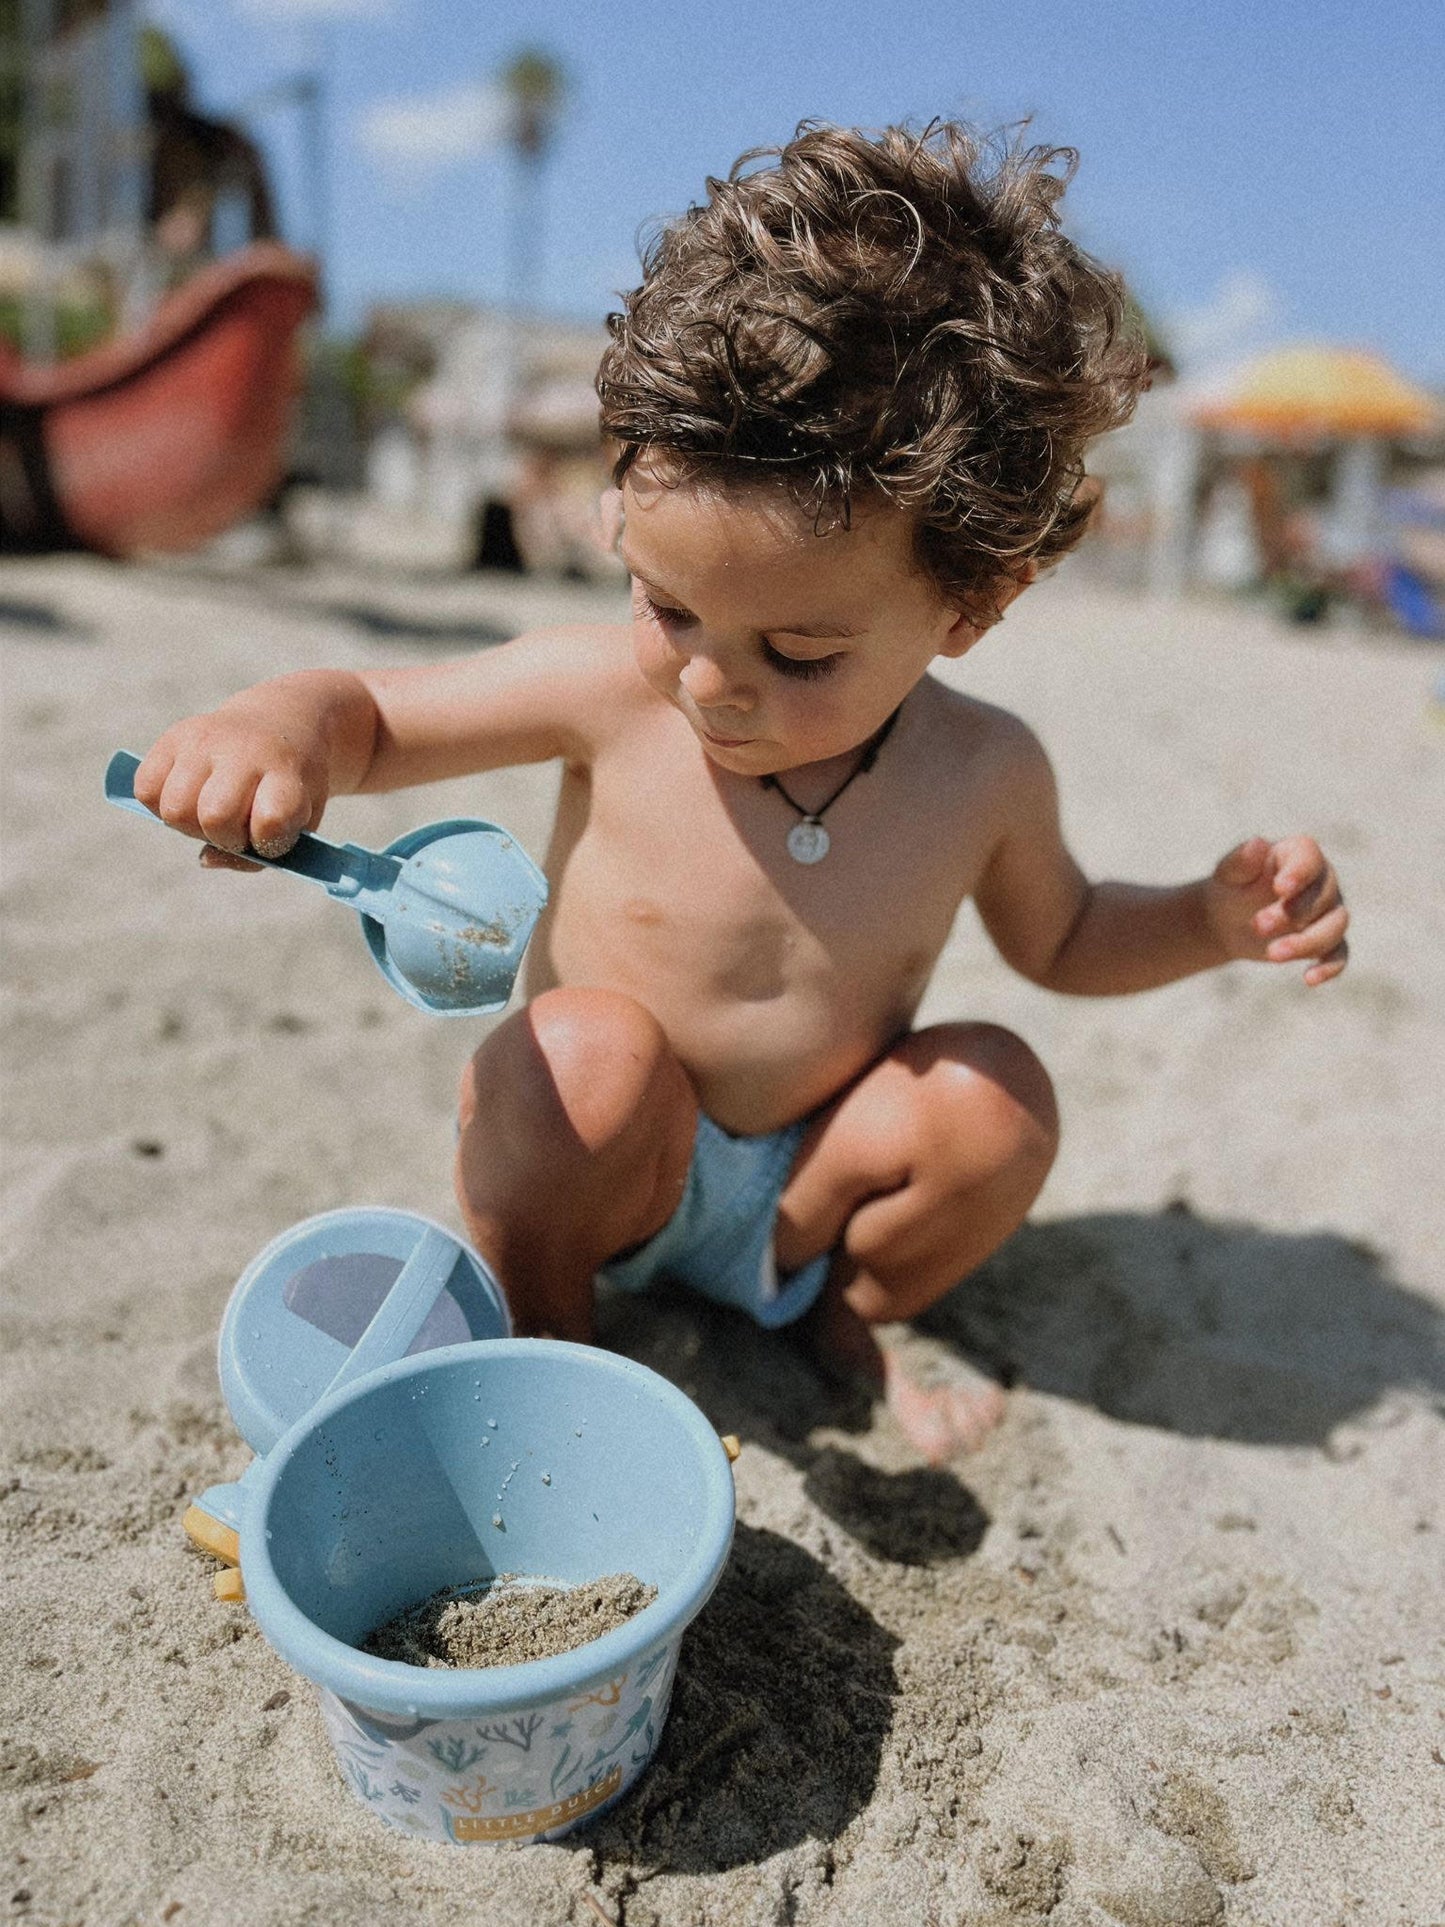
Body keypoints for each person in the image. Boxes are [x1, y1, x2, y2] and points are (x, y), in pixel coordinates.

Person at [132, 123, 1350, 1463]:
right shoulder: (605, 690)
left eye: (802, 654)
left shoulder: (984, 770)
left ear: (971, 603)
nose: (714, 685)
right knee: (584, 1052)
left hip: (813, 1184)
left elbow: (1060, 940)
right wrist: (273, 731)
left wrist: (1205, 922)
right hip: (611, 1163)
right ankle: (555, 1337)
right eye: (670, 607)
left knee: (993, 1096)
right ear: (620, 516)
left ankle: (842, 1314)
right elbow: (369, 717)